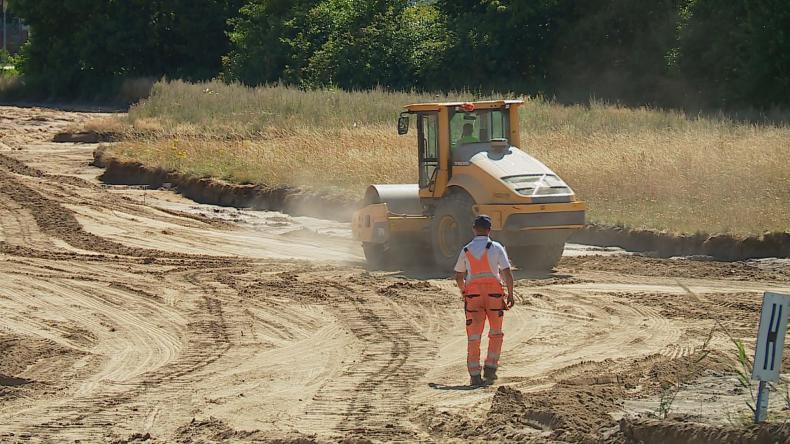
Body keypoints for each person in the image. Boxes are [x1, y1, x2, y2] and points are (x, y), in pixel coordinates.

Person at [454, 215, 514, 386]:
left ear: (474, 229)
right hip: (494, 295)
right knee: (496, 333)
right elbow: (507, 273)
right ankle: (490, 368)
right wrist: (510, 293)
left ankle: (474, 375)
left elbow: (459, 276)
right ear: (489, 229)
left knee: (474, 336)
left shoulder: (466, 250)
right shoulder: (496, 247)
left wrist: (463, 290)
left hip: (473, 296)